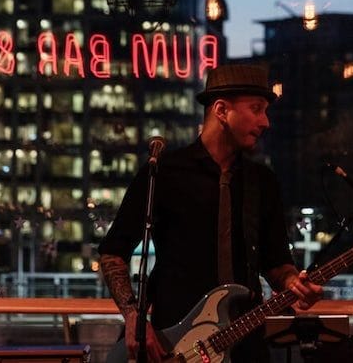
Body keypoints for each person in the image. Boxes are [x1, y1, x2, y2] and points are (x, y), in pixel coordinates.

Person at [99, 64, 323, 362]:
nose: (265, 122)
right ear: (221, 110)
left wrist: (293, 282)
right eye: (256, 109)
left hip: (246, 342)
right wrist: (133, 317)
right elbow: (112, 253)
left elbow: (276, 261)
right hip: (174, 344)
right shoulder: (164, 172)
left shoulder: (262, 181)